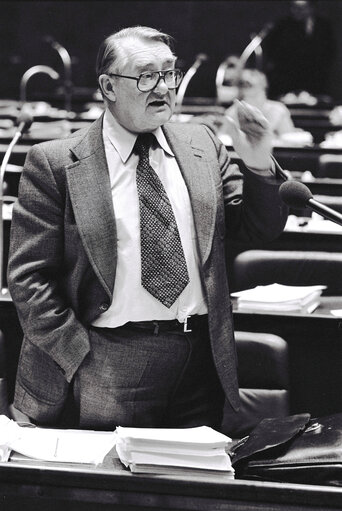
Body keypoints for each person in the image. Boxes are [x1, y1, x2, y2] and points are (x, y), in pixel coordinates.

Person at [7, 26, 288, 431]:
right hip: (106, 355)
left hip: (199, 357)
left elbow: (259, 229)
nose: (163, 87)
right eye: (146, 75)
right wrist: (77, 353)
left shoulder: (202, 145)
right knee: (108, 489)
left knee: (191, 490)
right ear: (108, 86)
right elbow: (28, 277)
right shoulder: (54, 162)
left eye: (169, 73)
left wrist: (260, 165)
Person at [263, 0, 336, 99]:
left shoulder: (324, 26)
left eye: (302, 8)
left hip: (317, 80)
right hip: (289, 81)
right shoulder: (283, 26)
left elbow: (330, 52)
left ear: (311, 8)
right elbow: (275, 54)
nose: (297, 11)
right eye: (294, 7)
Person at [225, 69, 295, 138]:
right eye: (243, 82)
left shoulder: (278, 109)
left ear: (264, 82)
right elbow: (223, 138)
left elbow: (289, 139)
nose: (246, 78)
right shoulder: (232, 111)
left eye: (252, 74)